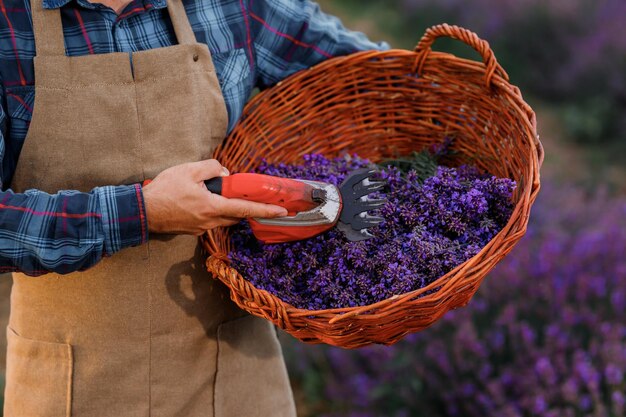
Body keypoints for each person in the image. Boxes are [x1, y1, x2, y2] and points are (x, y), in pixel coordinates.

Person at [0, 0, 386, 415]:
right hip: (72, 385)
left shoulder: (233, 6)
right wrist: (141, 211)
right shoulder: (10, 22)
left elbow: (383, 81)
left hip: (233, 375)